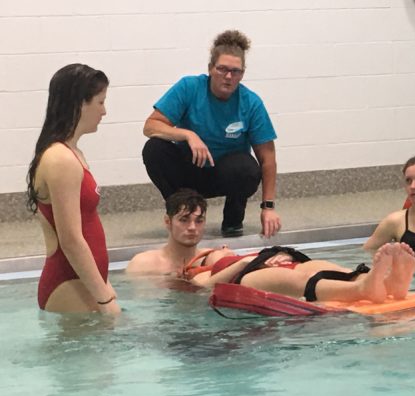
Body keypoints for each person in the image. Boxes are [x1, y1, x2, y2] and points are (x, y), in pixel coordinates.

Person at [142, 29, 281, 239]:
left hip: (224, 174)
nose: (228, 76)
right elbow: (150, 126)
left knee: (247, 168)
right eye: (222, 69)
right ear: (210, 69)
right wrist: (187, 134)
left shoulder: (251, 103)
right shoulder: (189, 87)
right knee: (154, 148)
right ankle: (182, 213)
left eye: (235, 71)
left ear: (242, 74)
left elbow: (267, 158)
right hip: (189, 170)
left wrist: (268, 207)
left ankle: (233, 220)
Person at [26, 63, 120, 315]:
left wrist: (104, 285)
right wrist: (104, 300)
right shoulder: (61, 159)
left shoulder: (72, 153)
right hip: (67, 283)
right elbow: (70, 239)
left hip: (83, 281)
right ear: (80, 103)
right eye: (100, 103)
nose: (104, 111)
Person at [190, 242, 415, 304]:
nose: (221, 248)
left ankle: (385, 282)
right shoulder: (202, 272)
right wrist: (242, 263)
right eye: (212, 251)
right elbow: (207, 288)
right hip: (244, 277)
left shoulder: (248, 253)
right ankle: (361, 289)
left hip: (276, 262)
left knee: (319, 267)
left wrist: (283, 255)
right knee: (297, 280)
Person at [126, 189, 216, 275]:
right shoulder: (143, 265)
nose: (192, 227)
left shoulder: (213, 260)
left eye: (199, 221)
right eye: (184, 220)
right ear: (168, 222)